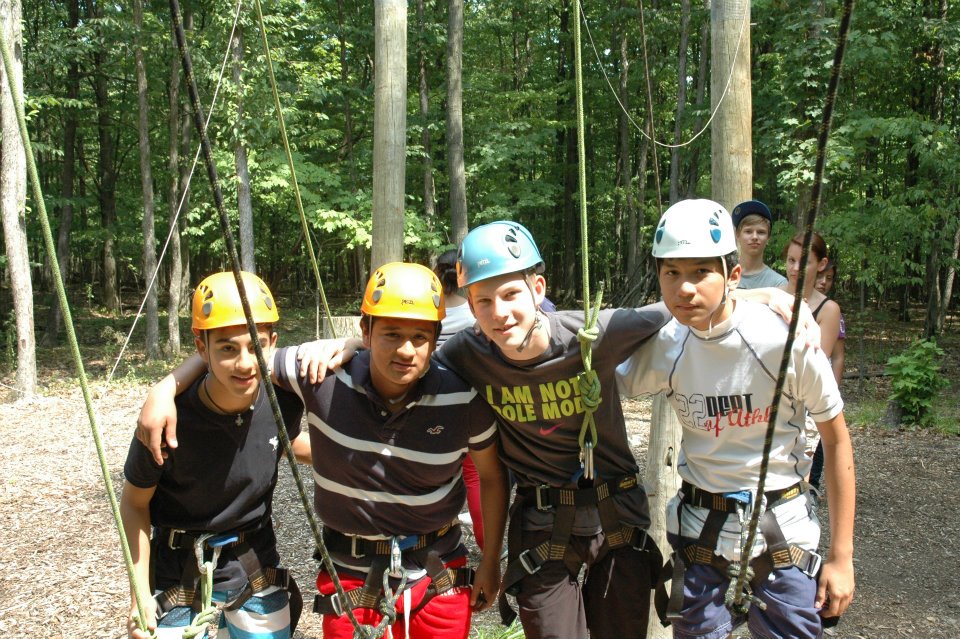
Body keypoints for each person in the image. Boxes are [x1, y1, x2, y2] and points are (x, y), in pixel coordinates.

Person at [138, 263, 508, 639]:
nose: (406, 350)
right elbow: (242, 347)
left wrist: (490, 560)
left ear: (435, 338)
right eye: (391, 334)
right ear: (365, 331)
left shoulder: (461, 398)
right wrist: (165, 388)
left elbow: (492, 477)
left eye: (420, 336)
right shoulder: (322, 375)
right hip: (351, 574)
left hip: (437, 571)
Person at [617, 199, 856, 639]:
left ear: (732, 275)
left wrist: (842, 557)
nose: (685, 288)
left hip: (782, 531)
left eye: (701, 272)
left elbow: (837, 440)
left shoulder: (785, 342)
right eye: (672, 273)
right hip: (700, 533)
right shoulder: (665, 345)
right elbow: (598, 382)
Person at [120, 271, 311, 639]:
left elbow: (291, 443)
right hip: (178, 579)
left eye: (256, 345)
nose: (245, 362)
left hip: (255, 571)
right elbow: (134, 504)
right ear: (201, 347)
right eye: (227, 348)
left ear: (272, 342)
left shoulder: (281, 401)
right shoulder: (168, 420)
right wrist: (139, 595)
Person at [810, 258, 846, 489]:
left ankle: (812, 485)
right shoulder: (788, 301)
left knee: (821, 437)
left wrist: (832, 387)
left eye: (829, 278)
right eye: (820, 276)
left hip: (819, 385)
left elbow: (838, 355)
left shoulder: (832, 310)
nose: (824, 282)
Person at [732, 199, 787, 290]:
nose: (754, 237)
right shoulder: (723, 276)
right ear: (737, 234)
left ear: (768, 238)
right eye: (748, 231)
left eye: (761, 232)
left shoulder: (779, 283)